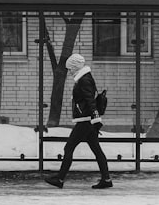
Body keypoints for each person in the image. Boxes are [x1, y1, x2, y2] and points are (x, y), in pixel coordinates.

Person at [45, 53, 112, 189]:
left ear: (75, 67)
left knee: (69, 147)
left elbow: (89, 100)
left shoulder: (84, 80)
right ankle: (106, 179)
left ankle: (60, 178)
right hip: (87, 119)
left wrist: (95, 117)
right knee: (96, 150)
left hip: (85, 120)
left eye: (70, 69)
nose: (69, 72)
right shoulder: (83, 78)